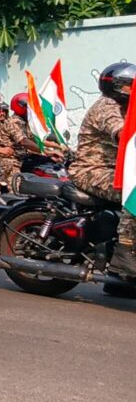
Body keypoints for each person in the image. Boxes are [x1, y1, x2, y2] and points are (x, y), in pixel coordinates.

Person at [70, 62, 136, 279]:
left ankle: (119, 282)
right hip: (91, 170)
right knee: (133, 192)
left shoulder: (128, 109)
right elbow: (123, 133)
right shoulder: (106, 106)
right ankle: (124, 251)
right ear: (117, 86)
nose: (133, 90)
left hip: (114, 171)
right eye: (131, 86)